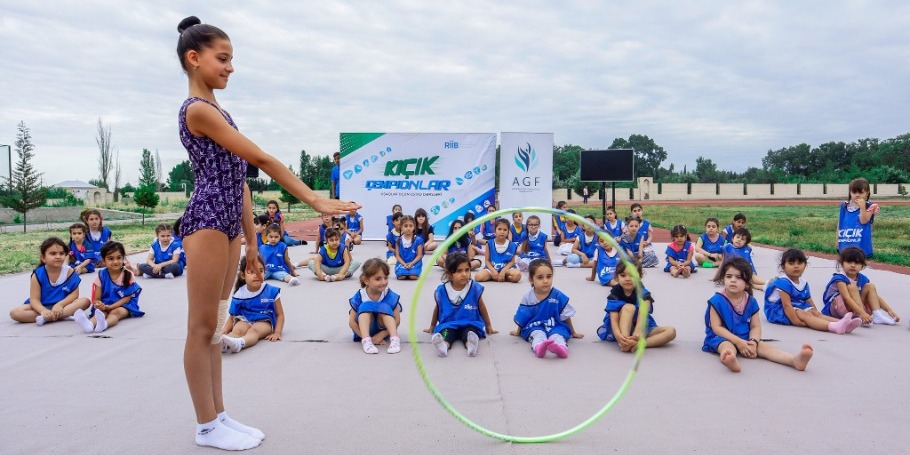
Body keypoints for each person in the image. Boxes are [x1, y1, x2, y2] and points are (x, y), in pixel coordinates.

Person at [175, 16, 358, 450]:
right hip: (204, 222)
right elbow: (262, 160)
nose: (230, 67)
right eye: (223, 59)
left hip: (228, 227)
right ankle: (205, 426)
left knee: (218, 328)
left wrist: (252, 240)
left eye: (232, 59)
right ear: (194, 58)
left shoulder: (221, 110)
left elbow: (240, 180)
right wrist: (313, 199)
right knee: (201, 329)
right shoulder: (197, 110)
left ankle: (218, 415)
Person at [703, 257, 813, 373]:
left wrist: (754, 342)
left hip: (745, 336)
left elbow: (755, 326)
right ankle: (731, 359)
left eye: (739, 277)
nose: (733, 280)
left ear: (747, 283)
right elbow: (717, 328)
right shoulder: (716, 300)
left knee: (765, 347)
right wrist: (738, 342)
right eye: (729, 276)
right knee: (726, 347)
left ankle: (794, 360)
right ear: (723, 279)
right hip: (721, 337)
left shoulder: (751, 301)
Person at [764, 249, 861, 334]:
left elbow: (808, 299)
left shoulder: (803, 282)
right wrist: (796, 322)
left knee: (813, 312)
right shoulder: (783, 282)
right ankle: (833, 326)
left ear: (805, 265)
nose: (796, 266)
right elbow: (786, 305)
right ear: (783, 266)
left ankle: (844, 323)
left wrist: (816, 312)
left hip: (795, 305)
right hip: (777, 310)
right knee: (804, 314)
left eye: (799, 263)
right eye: (791, 263)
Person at [424, 253, 497, 357]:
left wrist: (488, 325)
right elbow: (438, 307)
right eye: (459, 271)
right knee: (446, 333)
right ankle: (443, 346)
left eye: (467, 270)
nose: (464, 274)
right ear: (449, 274)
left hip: (469, 322)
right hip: (449, 323)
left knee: (470, 333)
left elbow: (482, 307)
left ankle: (471, 346)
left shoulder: (474, 287)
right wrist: (432, 325)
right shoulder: (442, 290)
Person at [597, 260, 676, 352]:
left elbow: (643, 314)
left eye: (632, 275)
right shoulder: (615, 294)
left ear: (640, 276)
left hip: (640, 328)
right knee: (629, 307)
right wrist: (619, 336)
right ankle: (626, 341)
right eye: (623, 275)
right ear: (617, 277)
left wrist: (638, 331)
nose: (627, 279)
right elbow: (613, 320)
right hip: (622, 328)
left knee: (671, 331)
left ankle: (638, 344)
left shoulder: (644, 293)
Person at [510, 259, 583, 358]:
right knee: (537, 335)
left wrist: (573, 332)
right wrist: (518, 331)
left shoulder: (558, 295)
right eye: (540, 277)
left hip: (555, 324)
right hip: (535, 325)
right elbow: (524, 316)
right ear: (531, 279)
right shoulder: (528, 296)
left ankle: (562, 349)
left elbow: (565, 316)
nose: (545, 281)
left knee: (558, 335)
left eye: (549, 277)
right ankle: (539, 348)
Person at [9, 237, 91, 325]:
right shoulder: (38, 274)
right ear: (43, 258)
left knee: (85, 301)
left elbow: (74, 295)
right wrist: (43, 310)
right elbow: (34, 300)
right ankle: (57, 315)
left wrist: (60, 305)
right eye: (53, 253)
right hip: (41, 305)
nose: (58, 256)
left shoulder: (70, 272)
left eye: (61, 253)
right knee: (15, 313)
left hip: (63, 306)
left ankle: (47, 318)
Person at [73, 241, 143, 334]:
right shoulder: (101, 275)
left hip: (125, 305)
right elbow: (97, 298)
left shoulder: (127, 274)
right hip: (106, 304)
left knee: (115, 313)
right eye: (111, 258)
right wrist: (99, 304)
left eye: (119, 258)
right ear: (103, 260)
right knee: (100, 313)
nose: (115, 262)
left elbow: (127, 298)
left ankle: (104, 324)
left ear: (123, 258)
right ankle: (89, 325)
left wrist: (110, 307)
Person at [220, 255, 285, 353]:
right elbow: (232, 317)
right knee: (238, 330)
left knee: (253, 331)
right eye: (251, 272)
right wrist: (224, 332)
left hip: (264, 320)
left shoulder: (271, 291)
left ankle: (240, 343)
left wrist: (277, 332)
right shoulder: (240, 294)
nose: (256, 275)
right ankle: (224, 344)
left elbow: (280, 315)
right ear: (243, 275)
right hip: (245, 319)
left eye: (260, 271)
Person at [821, 247, 898, 325]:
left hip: (854, 307)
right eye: (849, 262)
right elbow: (846, 298)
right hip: (837, 308)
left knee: (870, 286)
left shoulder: (862, 278)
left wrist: (889, 310)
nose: (853, 265)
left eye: (857, 263)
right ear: (842, 263)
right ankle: (861, 315)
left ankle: (877, 315)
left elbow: (875, 296)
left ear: (862, 266)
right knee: (852, 287)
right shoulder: (839, 278)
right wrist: (862, 313)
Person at [348, 258, 402, 354]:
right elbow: (352, 322)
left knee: (385, 307)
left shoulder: (388, 294)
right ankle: (366, 341)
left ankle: (394, 339)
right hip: (365, 330)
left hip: (383, 329)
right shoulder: (360, 296)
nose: (383, 282)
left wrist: (382, 334)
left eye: (385, 277)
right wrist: (366, 337)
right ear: (366, 280)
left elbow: (397, 320)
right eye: (378, 279)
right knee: (365, 306)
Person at [836, 177, 879, 258]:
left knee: (860, 264)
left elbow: (863, 221)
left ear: (867, 193)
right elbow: (840, 224)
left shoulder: (870, 206)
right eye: (854, 192)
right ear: (850, 192)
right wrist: (837, 241)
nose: (857, 195)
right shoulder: (844, 206)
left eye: (861, 192)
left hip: (861, 243)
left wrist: (862, 207)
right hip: (846, 242)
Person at [475, 219, 522, 283]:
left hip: (507, 269)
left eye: (505, 230)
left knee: (517, 275)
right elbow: (487, 261)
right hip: (493, 268)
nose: (502, 232)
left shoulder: (512, 245)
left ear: (508, 231)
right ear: (495, 230)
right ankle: (496, 276)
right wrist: (493, 271)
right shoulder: (489, 243)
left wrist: (503, 271)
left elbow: (512, 261)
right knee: (478, 277)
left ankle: (502, 276)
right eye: (499, 229)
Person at [394, 215, 424, 280]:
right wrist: (404, 264)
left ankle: (413, 270)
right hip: (402, 263)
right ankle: (403, 270)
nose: (408, 228)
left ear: (414, 227)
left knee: (413, 276)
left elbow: (419, 255)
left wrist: (411, 263)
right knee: (401, 276)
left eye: (411, 226)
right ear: (401, 227)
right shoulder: (398, 240)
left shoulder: (418, 240)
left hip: (415, 263)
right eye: (405, 226)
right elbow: (397, 255)